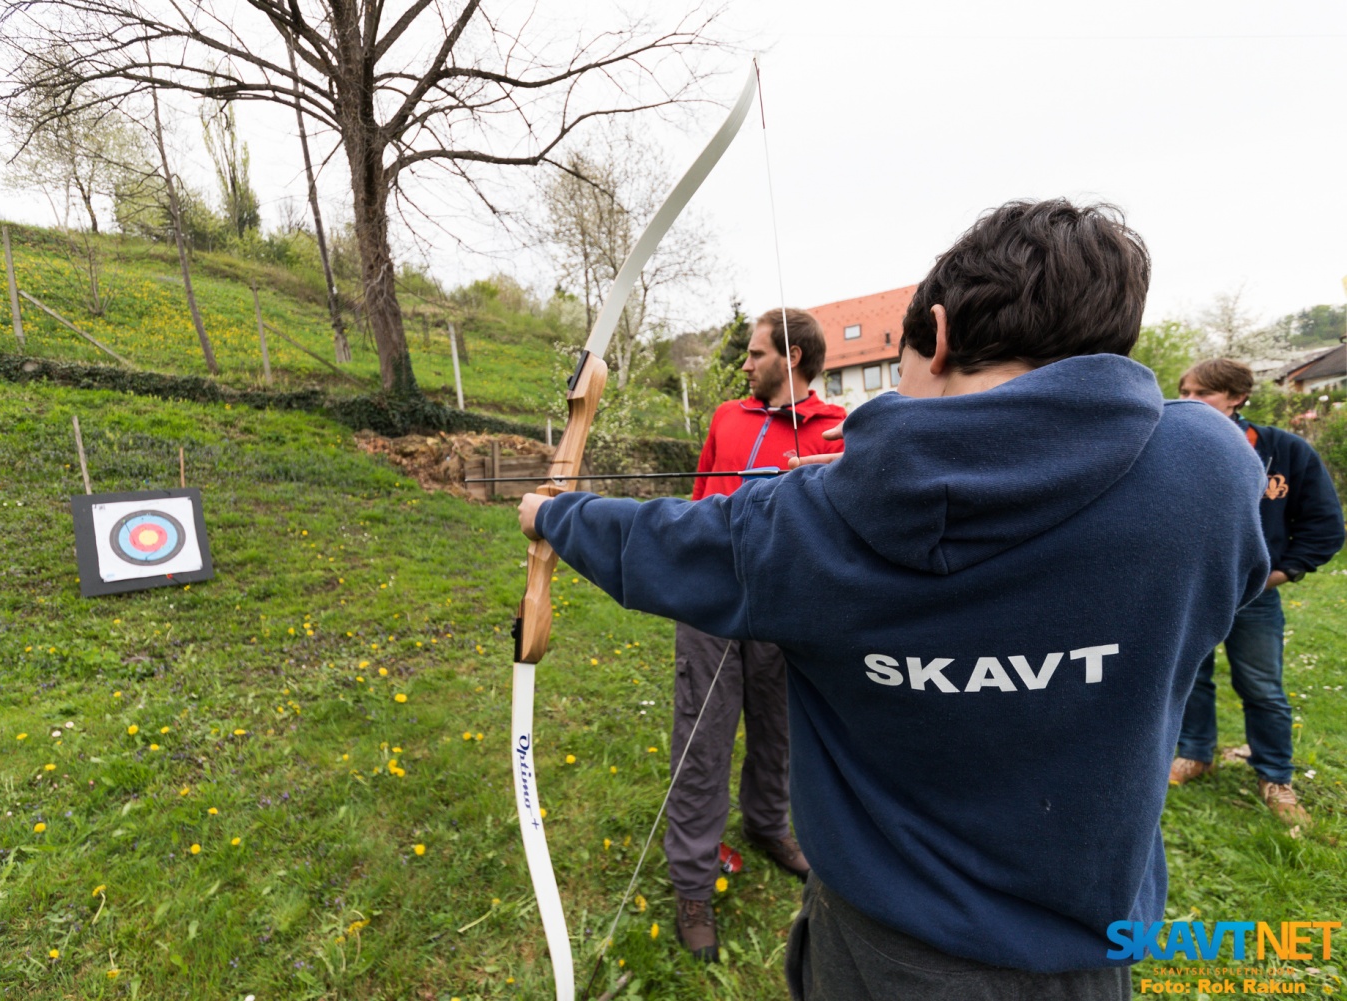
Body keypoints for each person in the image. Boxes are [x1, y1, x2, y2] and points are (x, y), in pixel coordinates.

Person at [519, 199, 1270, 1000]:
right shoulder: (1210, 472)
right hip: (1092, 957)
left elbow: (667, 545)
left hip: (880, 957)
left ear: (937, 336)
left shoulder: (813, 524)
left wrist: (552, 514)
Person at [667, 308, 846, 962]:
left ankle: (769, 826)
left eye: (755, 353)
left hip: (785, 605)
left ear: (792, 357)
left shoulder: (837, 430)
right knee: (703, 736)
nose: (744, 364)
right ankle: (693, 883)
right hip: (712, 599)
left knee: (779, 730)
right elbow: (697, 501)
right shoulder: (726, 417)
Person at [1169, 358, 1344, 825]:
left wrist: (1278, 574)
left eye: (1201, 393)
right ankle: (1195, 753)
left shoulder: (1283, 451)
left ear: (1236, 398)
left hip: (1254, 596)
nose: (1188, 402)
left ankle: (1275, 775)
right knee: (1188, 678)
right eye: (1184, 392)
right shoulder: (1170, 445)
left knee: (1262, 687)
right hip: (1189, 592)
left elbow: (1325, 527)